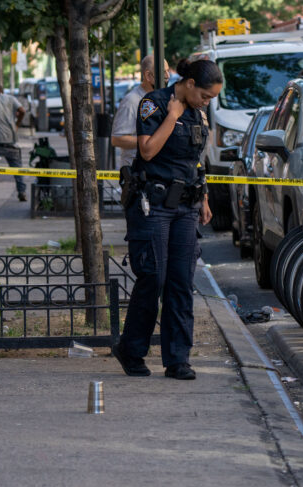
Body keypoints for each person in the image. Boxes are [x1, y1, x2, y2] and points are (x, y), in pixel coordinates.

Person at [111, 59, 222, 380]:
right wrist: (172, 117)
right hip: (153, 204)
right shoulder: (154, 104)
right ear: (188, 84)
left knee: (181, 282)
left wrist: (203, 197)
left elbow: (195, 160)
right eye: (205, 95)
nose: (207, 102)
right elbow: (146, 151)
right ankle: (131, 349)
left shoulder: (199, 112)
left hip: (186, 206)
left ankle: (177, 359)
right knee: (153, 277)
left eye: (212, 98)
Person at [111, 55, 170, 169]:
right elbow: (116, 139)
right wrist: (150, 143)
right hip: (137, 173)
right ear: (148, 75)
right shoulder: (132, 100)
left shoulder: (165, 99)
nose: (167, 76)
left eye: (168, 71)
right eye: (163, 72)